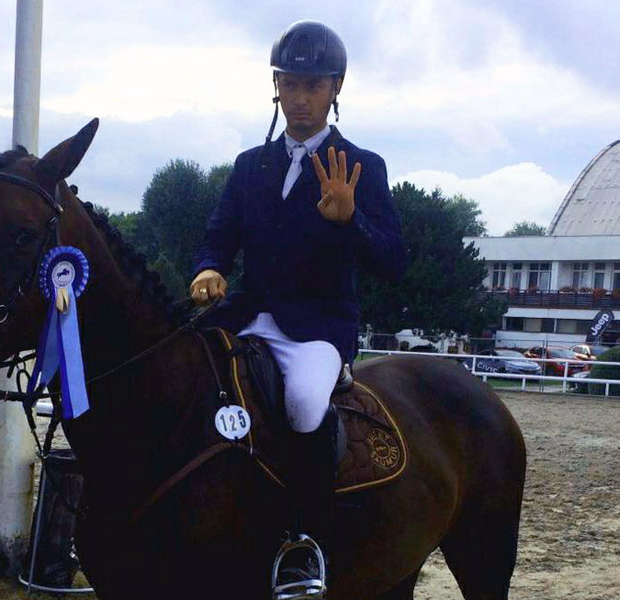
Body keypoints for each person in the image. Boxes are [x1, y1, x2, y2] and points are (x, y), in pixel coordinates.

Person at [190, 20, 406, 599]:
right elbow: (218, 236)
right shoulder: (249, 165)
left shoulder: (362, 165)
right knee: (185, 372)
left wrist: (350, 221)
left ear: (335, 88)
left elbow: (393, 261)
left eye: (313, 86)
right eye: (290, 84)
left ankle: (306, 539)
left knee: (305, 401)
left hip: (318, 326)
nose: (301, 98)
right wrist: (208, 268)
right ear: (276, 87)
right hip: (247, 313)